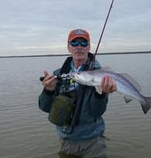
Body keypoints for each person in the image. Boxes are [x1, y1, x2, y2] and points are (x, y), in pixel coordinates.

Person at [38, 29, 116, 158]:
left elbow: (96, 112)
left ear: (89, 47)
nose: (79, 47)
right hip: (66, 140)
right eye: (74, 43)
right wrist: (48, 91)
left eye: (83, 43)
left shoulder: (100, 75)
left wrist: (100, 94)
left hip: (93, 142)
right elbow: (45, 108)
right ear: (68, 47)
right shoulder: (58, 74)